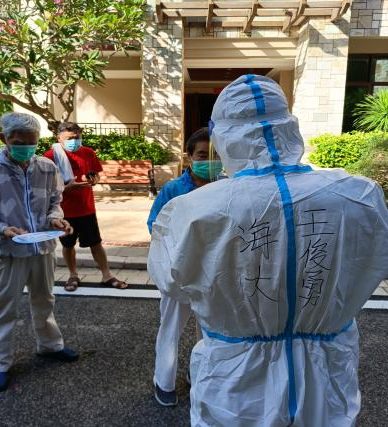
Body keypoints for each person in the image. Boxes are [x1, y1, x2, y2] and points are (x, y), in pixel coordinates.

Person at [147, 74, 388, 427]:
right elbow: (376, 259)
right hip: (327, 371)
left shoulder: (193, 210)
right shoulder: (358, 195)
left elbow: (170, 282)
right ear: (290, 126)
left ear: (223, 137)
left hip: (235, 377)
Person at [0, 112, 79, 393]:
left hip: (42, 247)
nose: (27, 148)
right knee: (3, 308)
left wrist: (56, 219)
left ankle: (50, 345)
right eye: (19, 142)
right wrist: (1, 230)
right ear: (3, 138)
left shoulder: (46, 167)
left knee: (45, 300)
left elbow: (55, 202)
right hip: (5, 252)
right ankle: (0, 364)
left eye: (32, 142)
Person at [148, 128, 223, 407]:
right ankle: (164, 381)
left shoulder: (227, 186)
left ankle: (198, 373)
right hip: (177, 272)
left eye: (215, 155)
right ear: (189, 156)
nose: (209, 161)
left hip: (213, 273)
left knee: (210, 329)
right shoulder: (174, 189)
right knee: (171, 328)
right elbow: (155, 224)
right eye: (202, 155)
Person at [44, 122, 127, 291]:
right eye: (70, 138)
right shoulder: (50, 156)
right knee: (68, 245)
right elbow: (45, 188)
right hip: (63, 211)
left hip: (86, 208)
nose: (74, 141)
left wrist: (94, 179)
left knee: (96, 243)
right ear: (59, 138)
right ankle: (73, 275)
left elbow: (96, 174)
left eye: (77, 137)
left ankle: (107, 275)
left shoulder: (88, 152)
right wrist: (67, 188)